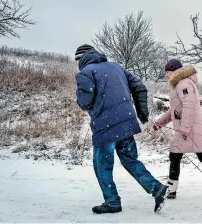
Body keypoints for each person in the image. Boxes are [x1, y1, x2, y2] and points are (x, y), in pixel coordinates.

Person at [74, 44, 168, 214]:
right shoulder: (117, 67)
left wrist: (80, 95)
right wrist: (142, 112)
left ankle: (112, 202)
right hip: (126, 124)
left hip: (105, 126)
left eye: (77, 60)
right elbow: (139, 86)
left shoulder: (85, 73)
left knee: (101, 165)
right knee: (130, 160)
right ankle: (156, 188)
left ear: (81, 58)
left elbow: (84, 102)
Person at [152, 59, 202, 200]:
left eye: (167, 72)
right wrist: (160, 122)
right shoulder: (178, 85)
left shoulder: (183, 84)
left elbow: (189, 106)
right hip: (186, 129)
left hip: (191, 129)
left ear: (174, 71)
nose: (166, 75)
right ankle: (172, 189)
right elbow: (174, 111)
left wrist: (185, 127)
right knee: (178, 156)